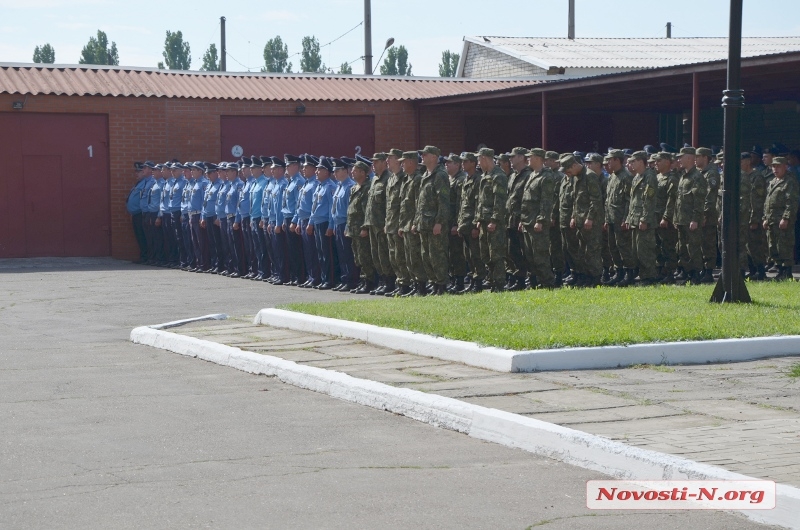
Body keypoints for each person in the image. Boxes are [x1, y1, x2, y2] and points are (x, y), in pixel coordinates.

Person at [665, 147, 706, 285]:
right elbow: (679, 200)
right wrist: (676, 218)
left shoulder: (697, 177)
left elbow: (699, 201)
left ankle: (696, 275)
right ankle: (689, 273)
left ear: (689, 158)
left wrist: (695, 219)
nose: (679, 160)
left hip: (690, 220)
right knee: (682, 248)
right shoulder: (683, 176)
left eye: (681, 157)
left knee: (692, 248)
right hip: (682, 220)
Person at [414, 146, 451, 296]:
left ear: (434, 157)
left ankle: (441, 285)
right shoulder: (425, 175)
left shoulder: (440, 175)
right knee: (426, 256)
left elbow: (443, 201)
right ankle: (434, 284)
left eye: (425, 154)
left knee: (438, 256)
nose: (422, 156)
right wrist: (416, 221)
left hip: (435, 224)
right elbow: (421, 202)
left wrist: (439, 222)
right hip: (424, 223)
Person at [563, 154, 603, 287]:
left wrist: (590, 218)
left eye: (568, 170)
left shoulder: (590, 176)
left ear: (574, 165)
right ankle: (585, 277)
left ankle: (596, 278)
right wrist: (574, 217)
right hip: (579, 220)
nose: (567, 174)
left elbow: (596, 200)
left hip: (591, 221)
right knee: (582, 251)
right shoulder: (575, 177)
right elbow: (576, 200)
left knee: (592, 251)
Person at [519, 148, 555, 288]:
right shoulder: (532, 174)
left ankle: (547, 282)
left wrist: (540, 220)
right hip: (528, 221)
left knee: (540, 255)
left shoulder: (546, 176)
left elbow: (546, 201)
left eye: (530, 156)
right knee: (530, 255)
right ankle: (536, 281)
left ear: (538, 158)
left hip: (537, 222)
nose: (528, 159)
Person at [475, 147, 508, 292]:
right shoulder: (485, 175)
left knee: (496, 254)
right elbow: (481, 200)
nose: (478, 162)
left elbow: (499, 200)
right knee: (485, 254)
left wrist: (494, 220)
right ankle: (491, 280)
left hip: (493, 222)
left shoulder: (498, 176)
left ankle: (499, 283)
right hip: (483, 220)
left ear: (484, 158)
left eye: (479, 159)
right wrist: (478, 218)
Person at [626, 151, 659, 285]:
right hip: (635, 218)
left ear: (641, 162)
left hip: (644, 219)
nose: (630, 164)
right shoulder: (636, 177)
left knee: (645, 249)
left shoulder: (649, 177)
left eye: (633, 161)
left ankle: (649, 276)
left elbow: (649, 200)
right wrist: (629, 218)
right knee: (637, 250)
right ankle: (643, 274)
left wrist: (644, 219)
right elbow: (633, 200)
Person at [763, 156, 799, 281]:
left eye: (778, 166)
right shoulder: (773, 181)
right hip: (772, 220)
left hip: (782, 220)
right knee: (773, 246)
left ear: (785, 167)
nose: (775, 169)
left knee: (785, 245)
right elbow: (767, 202)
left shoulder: (790, 181)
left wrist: (786, 218)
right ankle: (779, 270)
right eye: (773, 166)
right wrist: (765, 218)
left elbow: (792, 202)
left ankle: (787, 272)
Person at [603, 149, 635, 286]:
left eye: (610, 159)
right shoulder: (612, 177)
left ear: (617, 160)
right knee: (613, 246)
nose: (608, 162)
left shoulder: (626, 177)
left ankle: (629, 273)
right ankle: (619, 272)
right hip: (611, 218)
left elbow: (629, 200)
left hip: (620, 218)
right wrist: (606, 218)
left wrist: (626, 218)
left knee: (624, 246)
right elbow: (608, 200)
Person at [364, 153, 394, 295]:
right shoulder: (375, 179)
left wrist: (387, 222)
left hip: (382, 224)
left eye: (376, 162)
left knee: (384, 255)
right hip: (372, 223)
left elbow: (389, 204)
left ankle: (389, 282)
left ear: (384, 162)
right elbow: (369, 204)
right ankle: (382, 281)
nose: (373, 165)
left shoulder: (388, 178)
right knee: (376, 255)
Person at [398, 152, 427, 296]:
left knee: (416, 258)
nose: (401, 165)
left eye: (403, 162)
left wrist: (415, 223)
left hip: (413, 225)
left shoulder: (417, 179)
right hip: (406, 225)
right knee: (409, 258)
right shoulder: (407, 179)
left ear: (410, 162)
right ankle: (415, 285)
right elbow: (403, 205)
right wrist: (401, 225)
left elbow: (418, 205)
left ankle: (421, 286)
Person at [383, 149, 411, 296]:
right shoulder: (391, 179)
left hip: (399, 224)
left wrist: (402, 224)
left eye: (390, 158)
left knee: (401, 256)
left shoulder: (403, 178)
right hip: (390, 223)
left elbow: (404, 205)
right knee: (393, 257)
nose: (387, 161)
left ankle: (405, 284)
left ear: (398, 160)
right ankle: (399, 282)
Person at [456, 152, 484, 294]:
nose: (463, 164)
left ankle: (478, 282)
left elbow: (478, 204)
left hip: (472, 224)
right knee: (469, 256)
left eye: (465, 161)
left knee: (476, 255)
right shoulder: (467, 179)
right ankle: (473, 280)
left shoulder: (478, 179)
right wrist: (461, 223)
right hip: (465, 224)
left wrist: (475, 224)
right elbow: (463, 204)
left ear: (473, 163)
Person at [505, 147, 532, 290]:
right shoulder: (513, 175)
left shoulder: (528, 175)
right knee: (512, 251)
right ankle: (519, 278)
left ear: (521, 157)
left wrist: (523, 218)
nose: (510, 159)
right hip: (511, 219)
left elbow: (527, 200)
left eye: (513, 156)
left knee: (525, 251)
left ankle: (530, 279)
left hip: (522, 220)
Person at [308, 155, 337, 289]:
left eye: (319, 170)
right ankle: (323, 278)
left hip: (325, 223)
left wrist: (331, 226)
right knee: (320, 253)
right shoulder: (320, 186)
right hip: (318, 222)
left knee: (327, 253)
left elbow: (332, 208)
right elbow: (313, 208)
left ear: (326, 172)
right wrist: (311, 222)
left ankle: (330, 279)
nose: (316, 172)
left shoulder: (330, 187)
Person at [329, 157, 357, 291]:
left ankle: (351, 280)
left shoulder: (350, 186)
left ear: (346, 171)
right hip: (337, 224)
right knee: (341, 254)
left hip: (345, 224)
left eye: (338, 170)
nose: (334, 173)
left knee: (347, 254)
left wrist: (347, 226)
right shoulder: (339, 186)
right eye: (334, 171)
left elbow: (349, 210)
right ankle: (345, 278)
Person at [347, 160, 375, 294]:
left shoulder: (368, 187)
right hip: (353, 228)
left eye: (355, 170)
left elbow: (367, 210)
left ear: (363, 173)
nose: (352, 172)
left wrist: (365, 227)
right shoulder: (354, 188)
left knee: (365, 256)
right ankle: (362, 280)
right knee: (357, 257)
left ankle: (369, 281)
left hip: (362, 228)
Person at [294, 155, 321, 288]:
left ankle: (315, 277)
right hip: (303, 220)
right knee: (307, 252)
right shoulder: (306, 183)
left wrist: (310, 223)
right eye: (303, 167)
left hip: (310, 221)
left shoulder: (315, 183)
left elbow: (313, 207)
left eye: (306, 167)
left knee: (313, 251)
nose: (303, 169)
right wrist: (298, 222)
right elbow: (300, 206)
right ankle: (311, 276)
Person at [653, 152, 679, 283]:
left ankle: (670, 273)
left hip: (665, 217)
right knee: (657, 245)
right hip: (655, 216)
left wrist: (666, 217)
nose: (656, 163)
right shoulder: (656, 177)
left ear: (667, 162)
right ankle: (660, 269)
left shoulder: (672, 178)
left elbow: (671, 200)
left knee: (667, 245)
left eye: (659, 161)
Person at [695, 147, 720, 283]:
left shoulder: (711, 173)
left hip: (708, 214)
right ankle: (703, 269)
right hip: (699, 213)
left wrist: (704, 213)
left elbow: (710, 195)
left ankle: (709, 271)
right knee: (700, 243)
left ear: (705, 157)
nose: (695, 159)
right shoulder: (700, 173)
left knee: (708, 242)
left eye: (698, 157)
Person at [444, 153, 467, 294]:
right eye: (446, 163)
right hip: (447, 222)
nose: (446, 164)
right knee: (451, 253)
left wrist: (457, 224)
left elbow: (460, 204)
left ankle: (459, 282)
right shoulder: (448, 179)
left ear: (457, 165)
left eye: (450, 162)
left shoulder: (460, 180)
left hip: (454, 222)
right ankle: (452, 280)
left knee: (458, 254)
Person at [743, 153, 768, 281]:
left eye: (742, 161)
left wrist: (754, 219)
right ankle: (752, 271)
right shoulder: (743, 176)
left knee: (755, 245)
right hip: (744, 216)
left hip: (753, 217)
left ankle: (760, 271)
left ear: (747, 162)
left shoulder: (756, 177)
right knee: (747, 246)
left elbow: (757, 201)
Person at [282, 154, 306, 285]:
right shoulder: (290, 181)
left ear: (296, 166)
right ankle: (294, 276)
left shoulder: (299, 182)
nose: (286, 168)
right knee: (290, 250)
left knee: (296, 250)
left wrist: (294, 221)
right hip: (287, 217)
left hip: (293, 218)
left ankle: (299, 276)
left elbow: (298, 204)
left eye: (288, 165)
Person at [235, 157, 254, 278]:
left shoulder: (252, 183)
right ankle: (251, 269)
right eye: (241, 169)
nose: (242, 171)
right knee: (248, 246)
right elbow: (240, 203)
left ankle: (255, 270)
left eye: (244, 168)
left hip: (250, 217)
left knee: (252, 246)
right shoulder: (246, 183)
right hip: (243, 216)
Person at [224, 162, 244, 277]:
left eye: (228, 171)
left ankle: (239, 269)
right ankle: (233, 268)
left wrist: (237, 220)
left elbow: (239, 204)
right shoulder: (231, 185)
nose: (226, 173)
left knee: (237, 245)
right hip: (228, 217)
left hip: (234, 217)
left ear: (234, 172)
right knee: (230, 245)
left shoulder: (239, 185)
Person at [127, 162, 148, 263]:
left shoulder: (145, 183)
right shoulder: (138, 183)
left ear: (144, 172)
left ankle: (146, 256)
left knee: (143, 236)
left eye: (139, 171)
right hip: (135, 214)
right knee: (139, 236)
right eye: (136, 171)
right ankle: (143, 256)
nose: (136, 174)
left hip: (141, 214)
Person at [179, 162, 197, 271]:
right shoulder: (186, 184)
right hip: (185, 214)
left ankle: (194, 262)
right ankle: (189, 261)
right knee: (186, 240)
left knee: (192, 241)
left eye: (186, 170)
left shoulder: (196, 183)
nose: (183, 173)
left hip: (192, 214)